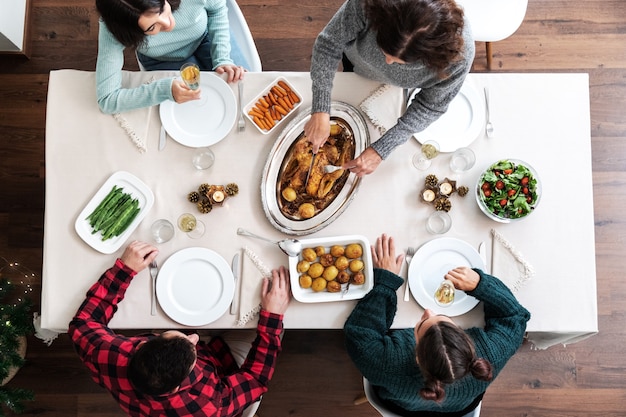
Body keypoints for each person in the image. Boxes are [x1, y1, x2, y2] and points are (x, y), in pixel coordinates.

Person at [68, 241, 291, 417]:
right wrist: (272, 318)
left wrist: (124, 270)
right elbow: (255, 379)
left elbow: (83, 323)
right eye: (192, 345)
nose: (194, 335)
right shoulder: (208, 407)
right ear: (176, 387)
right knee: (278, 327)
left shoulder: (108, 354)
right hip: (224, 366)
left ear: (143, 345)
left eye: (178, 336)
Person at [344, 234, 530, 416]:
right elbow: (515, 317)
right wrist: (480, 284)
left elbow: (361, 331)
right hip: (459, 409)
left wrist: (385, 283)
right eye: (441, 318)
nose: (428, 312)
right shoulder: (491, 357)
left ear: (417, 356)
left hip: (398, 405)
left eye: (422, 324)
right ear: (464, 338)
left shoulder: (384, 362)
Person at [304, 0, 475, 176]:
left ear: (430, 58)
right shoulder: (368, 4)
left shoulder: (459, 58)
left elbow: (430, 106)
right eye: (383, 50)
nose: (387, 62)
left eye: (398, 61)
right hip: (356, 64)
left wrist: (382, 149)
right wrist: (321, 108)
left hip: (400, 90)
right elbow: (329, 45)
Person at [95, 0, 247, 114]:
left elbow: (217, 9)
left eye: (161, 9)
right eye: (152, 27)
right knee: (192, 111)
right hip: (161, 59)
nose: (169, 24)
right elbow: (107, 100)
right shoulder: (113, 28)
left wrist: (222, 57)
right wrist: (163, 90)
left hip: (205, 38)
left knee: (243, 89)